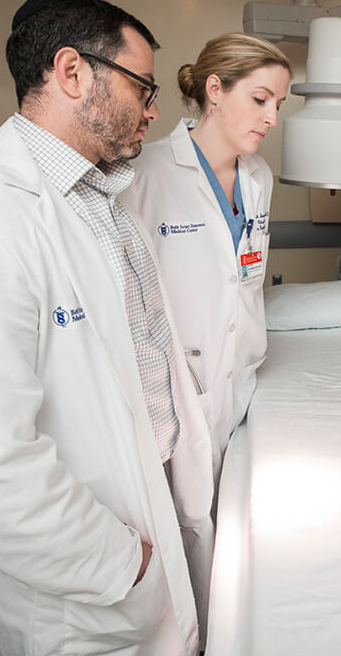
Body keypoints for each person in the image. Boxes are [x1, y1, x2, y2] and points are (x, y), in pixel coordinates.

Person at [0, 0, 215, 656]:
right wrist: (121, 562)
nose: (154, 109)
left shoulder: (107, 205)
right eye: (142, 85)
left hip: (151, 512)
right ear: (72, 73)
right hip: (88, 582)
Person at [121, 33, 290, 474]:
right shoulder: (143, 175)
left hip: (241, 373)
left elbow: (244, 278)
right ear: (214, 90)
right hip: (177, 381)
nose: (272, 117)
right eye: (260, 99)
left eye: (279, 104)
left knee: (231, 507)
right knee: (181, 515)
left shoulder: (259, 176)